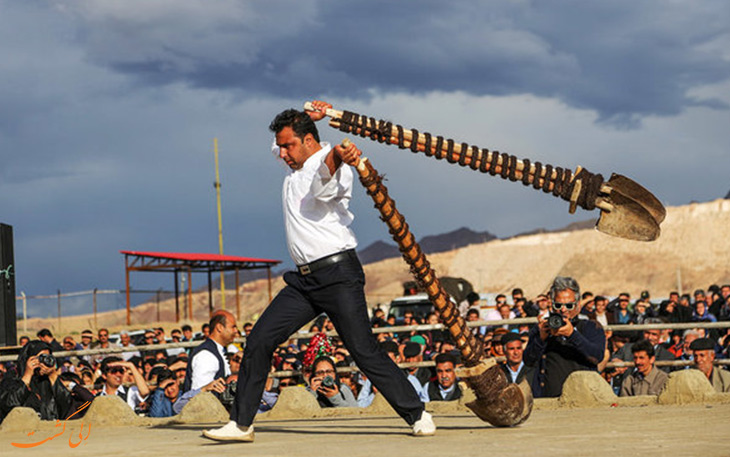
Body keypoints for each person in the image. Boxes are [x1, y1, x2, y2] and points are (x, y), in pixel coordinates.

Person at [204, 103, 433, 443]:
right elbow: (289, 140)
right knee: (259, 340)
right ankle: (241, 424)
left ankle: (417, 413)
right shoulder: (293, 157)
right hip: (304, 281)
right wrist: (308, 118)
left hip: (339, 274)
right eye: (280, 146)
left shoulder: (334, 168)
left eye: (287, 146)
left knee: (362, 349)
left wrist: (339, 155)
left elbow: (322, 181)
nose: (281, 153)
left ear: (309, 142)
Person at [524, 276, 606, 398]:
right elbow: (528, 360)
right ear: (551, 305)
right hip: (548, 399)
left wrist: (572, 335)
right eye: (558, 305)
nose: (563, 310)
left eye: (569, 305)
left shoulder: (591, 327)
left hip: (583, 398)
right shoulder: (542, 328)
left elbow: (597, 356)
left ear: (578, 305)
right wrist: (541, 339)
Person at [0, 340, 74, 422]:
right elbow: (10, 404)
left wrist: (53, 375)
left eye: (47, 357)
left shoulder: (46, 380)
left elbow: (66, 404)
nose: (43, 362)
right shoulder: (12, 377)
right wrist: (27, 375)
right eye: (41, 358)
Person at [183, 310, 237, 393]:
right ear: (220, 327)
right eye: (233, 327)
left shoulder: (218, 350)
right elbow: (200, 397)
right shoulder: (206, 356)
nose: (236, 331)